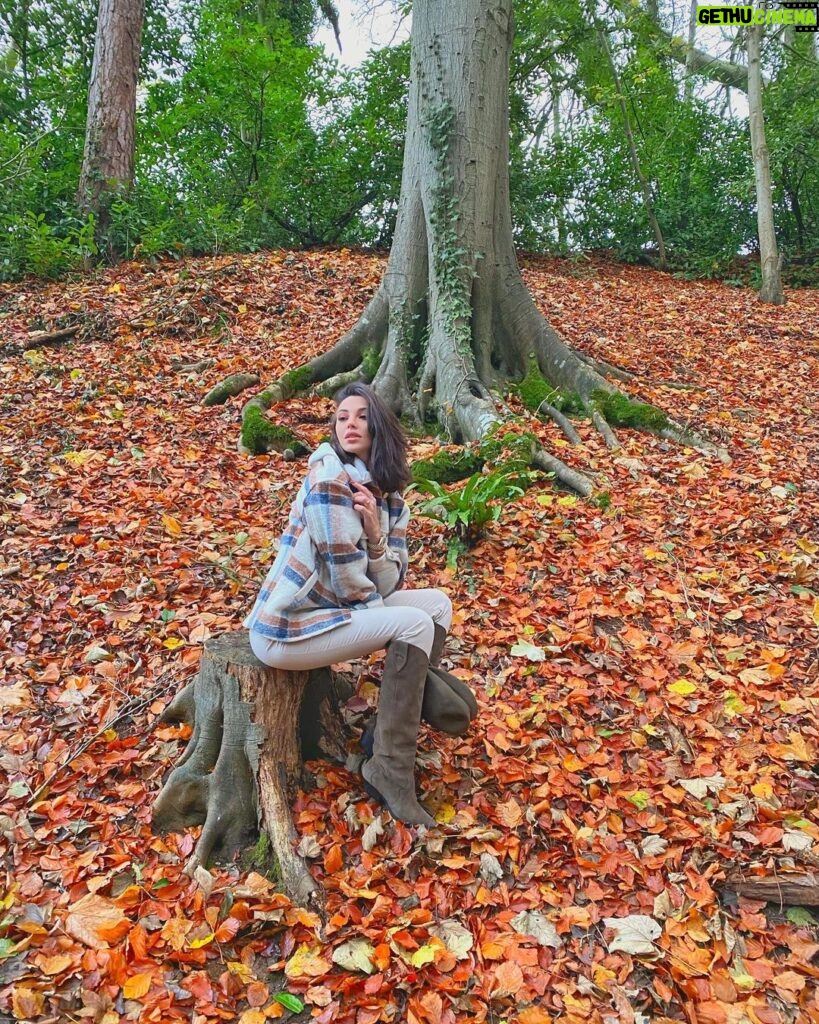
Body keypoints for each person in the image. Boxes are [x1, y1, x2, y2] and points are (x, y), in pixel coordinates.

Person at [245, 382, 477, 828]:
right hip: (289, 627)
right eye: (341, 418)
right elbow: (349, 581)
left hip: (333, 612)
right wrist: (385, 610)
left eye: (360, 416)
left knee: (437, 606)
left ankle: (384, 734)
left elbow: (390, 580)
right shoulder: (329, 479)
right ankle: (390, 770)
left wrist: (374, 534)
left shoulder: (388, 497)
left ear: (379, 426)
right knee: (411, 624)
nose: (349, 424)